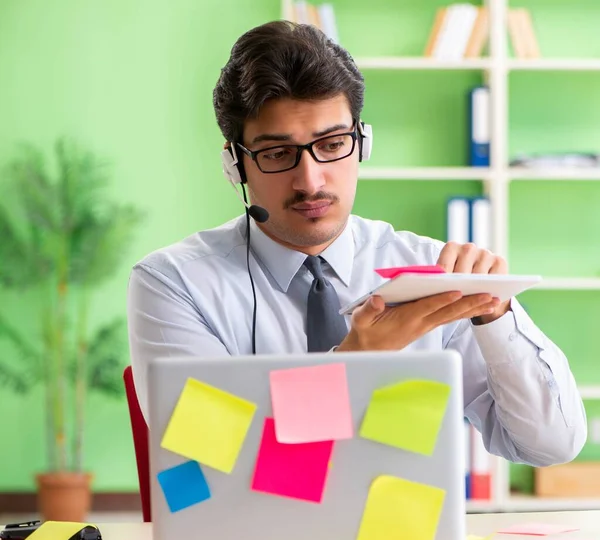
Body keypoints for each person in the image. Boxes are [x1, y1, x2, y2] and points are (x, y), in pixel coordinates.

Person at [127, 20, 586, 466]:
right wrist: (356, 360)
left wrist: (495, 317)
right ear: (236, 165)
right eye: (277, 154)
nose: (310, 180)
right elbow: (203, 454)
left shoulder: (432, 273)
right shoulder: (173, 283)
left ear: (361, 143)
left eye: (331, 145)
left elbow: (551, 446)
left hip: (405, 534)